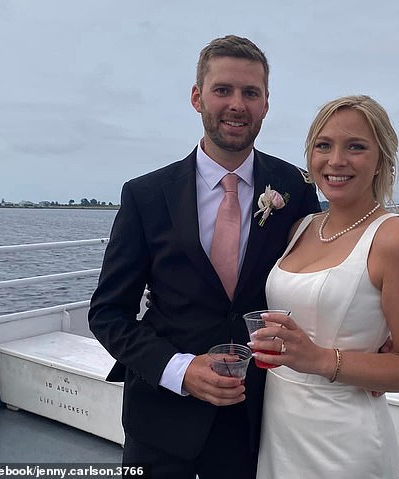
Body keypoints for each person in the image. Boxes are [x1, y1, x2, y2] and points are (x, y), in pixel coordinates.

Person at [88, 35, 320, 479]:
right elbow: (108, 313)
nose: (237, 104)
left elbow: (323, 272)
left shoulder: (294, 188)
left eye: (251, 93)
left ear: (266, 104)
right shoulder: (146, 195)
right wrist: (180, 369)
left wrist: (364, 340)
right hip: (161, 419)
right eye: (223, 90)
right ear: (197, 98)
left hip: (258, 418)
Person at [249, 95, 399, 478]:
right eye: (324, 145)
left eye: (356, 146)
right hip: (278, 429)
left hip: (343, 442)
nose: (336, 160)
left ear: (380, 160)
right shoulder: (300, 228)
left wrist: (322, 359)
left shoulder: (393, 239)